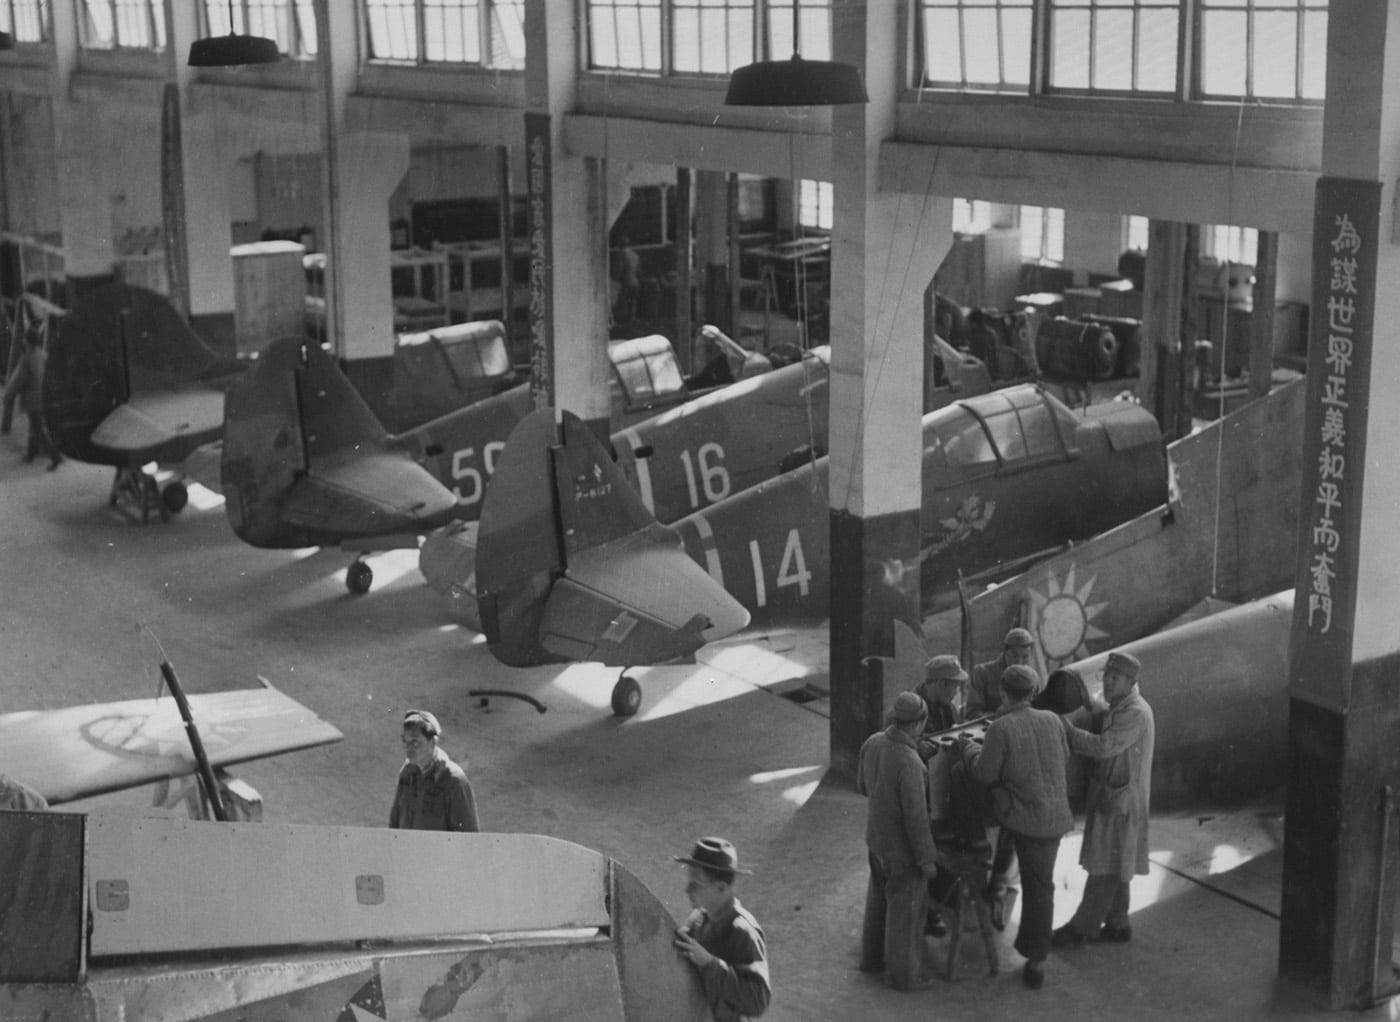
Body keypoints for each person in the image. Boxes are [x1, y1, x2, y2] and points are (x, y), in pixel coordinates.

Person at [956, 663, 1073, 989]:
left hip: (1030, 822)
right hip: (1055, 815)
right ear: (1033, 692)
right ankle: (997, 884)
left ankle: (1037, 962)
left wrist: (968, 748)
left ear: (1003, 693)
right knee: (1039, 881)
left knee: (1039, 889)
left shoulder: (1002, 727)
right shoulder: (1052, 719)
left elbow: (984, 773)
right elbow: (1063, 759)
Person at [1052, 650, 1155, 948]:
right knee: (1117, 862)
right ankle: (1118, 923)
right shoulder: (1121, 705)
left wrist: (1068, 731)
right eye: (1106, 676)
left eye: (1115, 678)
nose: (1108, 683)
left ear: (1131, 680)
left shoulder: (1134, 712)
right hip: (1117, 797)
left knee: (1104, 869)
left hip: (1121, 803)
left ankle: (1080, 929)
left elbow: (1104, 747)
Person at [857, 691, 941, 990]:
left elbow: (863, 786)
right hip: (903, 854)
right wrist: (927, 859)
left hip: (876, 840)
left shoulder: (873, 741)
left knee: (878, 904)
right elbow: (916, 820)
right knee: (905, 915)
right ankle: (903, 978)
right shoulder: (910, 763)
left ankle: (871, 961)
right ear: (919, 723)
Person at [672, 836, 771, 1021]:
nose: (687, 890)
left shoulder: (743, 931)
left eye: (695, 885)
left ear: (721, 888)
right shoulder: (698, 919)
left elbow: (758, 1001)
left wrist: (710, 964)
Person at [388, 709, 480, 832]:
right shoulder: (407, 773)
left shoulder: (454, 781)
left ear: (433, 742)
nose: (408, 748)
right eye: (405, 741)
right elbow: (394, 823)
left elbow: (467, 837)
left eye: (415, 742)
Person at [2, 327, 62, 470]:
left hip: (33, 399)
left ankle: (55, 456)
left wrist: (7, 394)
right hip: (44, 397)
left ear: (28, 341)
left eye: (24, 339)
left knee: (37, 429)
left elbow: (18, 379)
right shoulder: (43, 354)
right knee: (34, 425)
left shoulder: (27, 358)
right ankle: (31, 454)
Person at [966, 626, 1035, 717]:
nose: (1019, 662)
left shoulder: (1032, 677)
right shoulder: (982, 674)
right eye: (1015, 655)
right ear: (1005, 652)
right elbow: (972, 713)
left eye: (1025, 657)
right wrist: (999, 716)